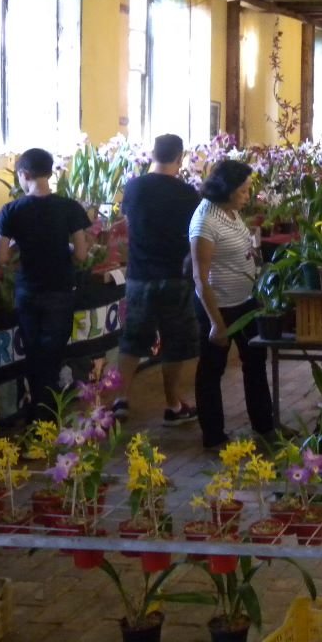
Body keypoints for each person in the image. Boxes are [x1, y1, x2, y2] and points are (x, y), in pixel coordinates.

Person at [0, 148, 91, 420]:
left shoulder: (12, 210)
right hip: (60, 289)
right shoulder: (69, 207)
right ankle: (48, 417)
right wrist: (65, 248)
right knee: (53, 354)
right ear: (50, 172)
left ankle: (39, 414)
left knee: (34, 354)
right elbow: (82, 254)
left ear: (23, 174)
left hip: (28, 290)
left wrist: (17, 249)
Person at [112, 133, 200, 425]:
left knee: (132, 339)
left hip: (139, 275)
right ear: (180, 157)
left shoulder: (134, 187)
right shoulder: (188, 194)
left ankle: (120, 399)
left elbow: (127, 225)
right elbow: (196, 235)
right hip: (176, 276)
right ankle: (173, 405)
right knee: (176, 343)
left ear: (152, 153)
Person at [190, 159, 274, 450]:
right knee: (212, 371)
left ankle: (264, 425)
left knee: (255, 363)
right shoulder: (205, 221)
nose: (248, 196)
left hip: (245, 300)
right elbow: (200, 277)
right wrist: (216, 323)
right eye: (243, 191)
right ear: (226, 190)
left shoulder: (231, 212)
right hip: (219, 306)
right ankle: (213, 436)